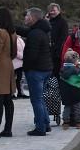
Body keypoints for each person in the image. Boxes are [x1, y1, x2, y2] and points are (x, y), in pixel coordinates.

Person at [18, 8, 53, 136]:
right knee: (40, 98)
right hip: (45, 69)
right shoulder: (40, 30)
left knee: (36, 100)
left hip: (36, 71)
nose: (25, 18)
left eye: (26, 16)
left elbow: (31, 56)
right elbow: (25, 31)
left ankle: (40, 128)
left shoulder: (35, 34)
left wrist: (26, 68)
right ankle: (46, 124)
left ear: (33, 18)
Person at [0, 8, 17, 138]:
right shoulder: (12, 33)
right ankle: (8, 129)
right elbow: (13, 53)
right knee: (8, 100)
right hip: (8, 66)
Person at [58, 50, 80, 129]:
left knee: (67, 107)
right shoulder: (76, 70)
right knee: (77, 107)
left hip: (65, 92)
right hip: (76, 91)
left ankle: (65, 122)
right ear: (75, 61)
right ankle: (78, 122)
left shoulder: (62, 69)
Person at [47, 3, 68, 77]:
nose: (52, 12)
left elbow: (63, 38)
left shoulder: (63, 22)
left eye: (54, 10)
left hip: (57, 53)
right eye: (50, 11)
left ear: (59, 11)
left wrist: (57, 52)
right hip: (47, 52)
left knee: (56, 74)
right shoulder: (48, 22)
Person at [12, 34, 26, 99]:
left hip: (21, 63)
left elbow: (24, 49)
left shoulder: (20, 39)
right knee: (13, 79)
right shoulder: (12, 38)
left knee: (21, 79)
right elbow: (14, 51)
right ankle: (12, 93)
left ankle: (20, 93)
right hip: (15, 62)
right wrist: (23, 57)